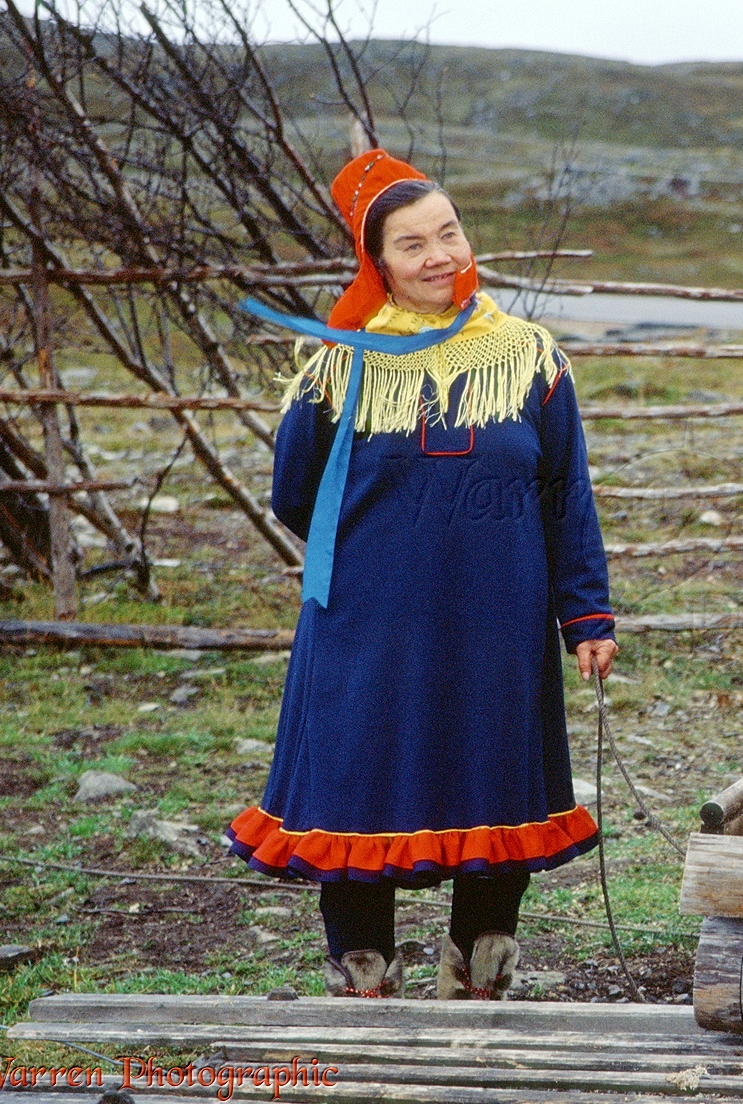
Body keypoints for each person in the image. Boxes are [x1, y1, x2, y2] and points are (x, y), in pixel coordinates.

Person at [224, 149, 617, 1000]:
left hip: (499, 625)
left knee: (493, 778)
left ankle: (480, 971)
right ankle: (362, 974)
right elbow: (294, 492)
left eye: (449, 231)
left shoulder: (528, 359)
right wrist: (386, 557)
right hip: (369, 624)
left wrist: (587, 617)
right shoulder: (340, 365)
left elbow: (565, 497)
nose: (439, 254)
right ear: (378, 263)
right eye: (411, 244)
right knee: (360, 780)